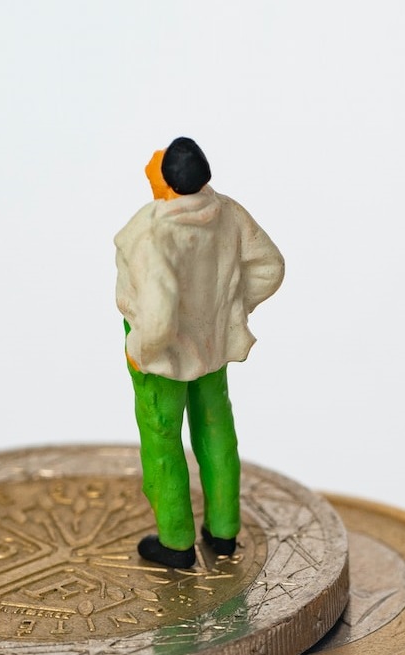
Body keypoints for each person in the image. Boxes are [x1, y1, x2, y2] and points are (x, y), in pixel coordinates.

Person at [114, 137, 285, 568]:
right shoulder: (227, 212)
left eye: (157, 164)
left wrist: (140, 347)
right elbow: (270, 265)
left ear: (168, 182)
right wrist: (232, 308)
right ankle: (223, 531)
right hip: (212, 344)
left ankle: (175, 541)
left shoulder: (153, 230)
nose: (151, 165)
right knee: (216, 430)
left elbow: (156, 315)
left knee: (162, 441)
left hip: (161, 355)